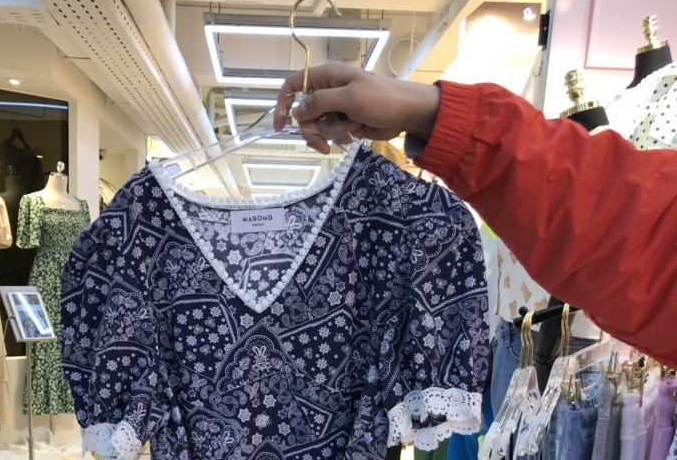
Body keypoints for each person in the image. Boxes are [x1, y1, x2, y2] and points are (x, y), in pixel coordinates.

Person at [273, 63, 677, 367]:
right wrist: (435, 115)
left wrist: (434, 115)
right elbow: (640, 243)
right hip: (520, 337)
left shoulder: (434, 218)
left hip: (566, 349)